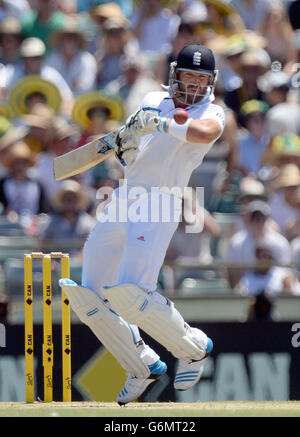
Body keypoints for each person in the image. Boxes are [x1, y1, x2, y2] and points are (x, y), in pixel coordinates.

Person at [59, 44, 225, 405]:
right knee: (89, 293)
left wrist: (163, 123)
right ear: (174, 76)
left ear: (210, 82)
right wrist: (128, 145)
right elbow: (132, 145)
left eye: (200, 79)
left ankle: (194, 347)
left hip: (161, 201)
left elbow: (203, 133)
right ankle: (141, 365)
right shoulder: (152, 98)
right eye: (187, 77)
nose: (193, 86)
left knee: (132, 293)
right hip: (125, 196)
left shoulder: (212, 111)